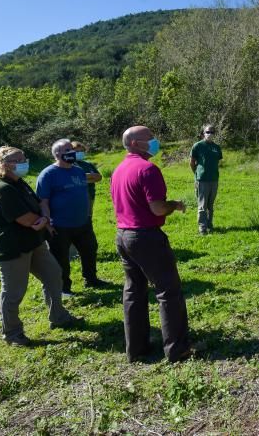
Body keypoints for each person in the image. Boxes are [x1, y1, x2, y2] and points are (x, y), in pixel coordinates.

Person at [0, 146, 81, 346]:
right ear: (5, 164)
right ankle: (12, 333)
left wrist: (43, 220)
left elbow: (38, 207)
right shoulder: (1, 189)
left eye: (24, 157)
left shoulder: (17, 182)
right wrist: (44, 219)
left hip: (34, 242)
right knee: (13, 292)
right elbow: (27, 220)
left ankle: (59, 316)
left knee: (53, 275)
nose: (25, 161)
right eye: (20, 159)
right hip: (13, 248)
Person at [110, 125, 193, 362]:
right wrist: (174, 205)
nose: (155, 141)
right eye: (150, 137)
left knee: (134, 291)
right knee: (168, 291)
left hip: (123, 235)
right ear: (135, 143)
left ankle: (136, 349)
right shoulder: (147, 169)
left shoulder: (119, 169)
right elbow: (157, 207)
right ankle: (178, 349)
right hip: (146, 236)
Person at [36, 139, 108, 295]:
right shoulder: (48, 174)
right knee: (61, 258)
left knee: (89, 250)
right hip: (59, 225)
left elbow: (84, 193)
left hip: (83, 222)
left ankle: (91, 279)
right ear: (57, 154)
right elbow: (43, 202)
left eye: (72, 149)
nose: (72, 152)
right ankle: (64, 288)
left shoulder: (78, 170)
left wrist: (88, 215)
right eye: (67, 150)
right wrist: (47, 222)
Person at [190, 124, 223, 235]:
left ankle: (210, 225)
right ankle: (202, 228)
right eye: (207, 132)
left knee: (210, 205)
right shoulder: (197, 146)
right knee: (202, 205)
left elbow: (217, 162)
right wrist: (197, 174)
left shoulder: (216, 147)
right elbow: (192, 162)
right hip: (202, 180)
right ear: (203, 133)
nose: (210, 134)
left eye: (212, 132)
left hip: (214, 179)